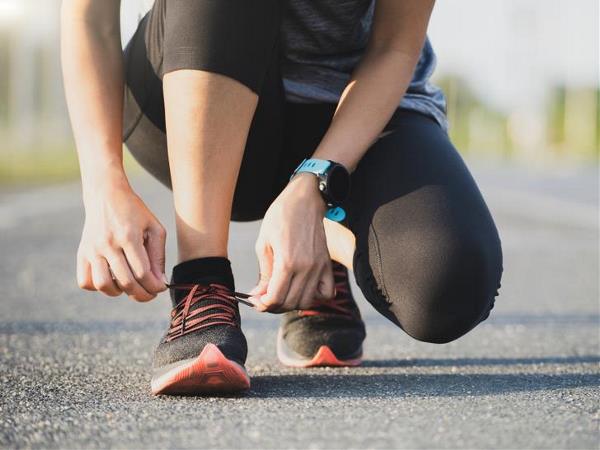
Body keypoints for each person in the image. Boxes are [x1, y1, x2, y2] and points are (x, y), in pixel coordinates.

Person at [61, 0, 503, 396]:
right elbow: (89, 17)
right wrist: (103, 185)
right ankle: (203, 284)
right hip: (192, 82)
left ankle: (318, 244)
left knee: (448, 284)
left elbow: (394, 46)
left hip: (353, 113)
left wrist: (316, 183)